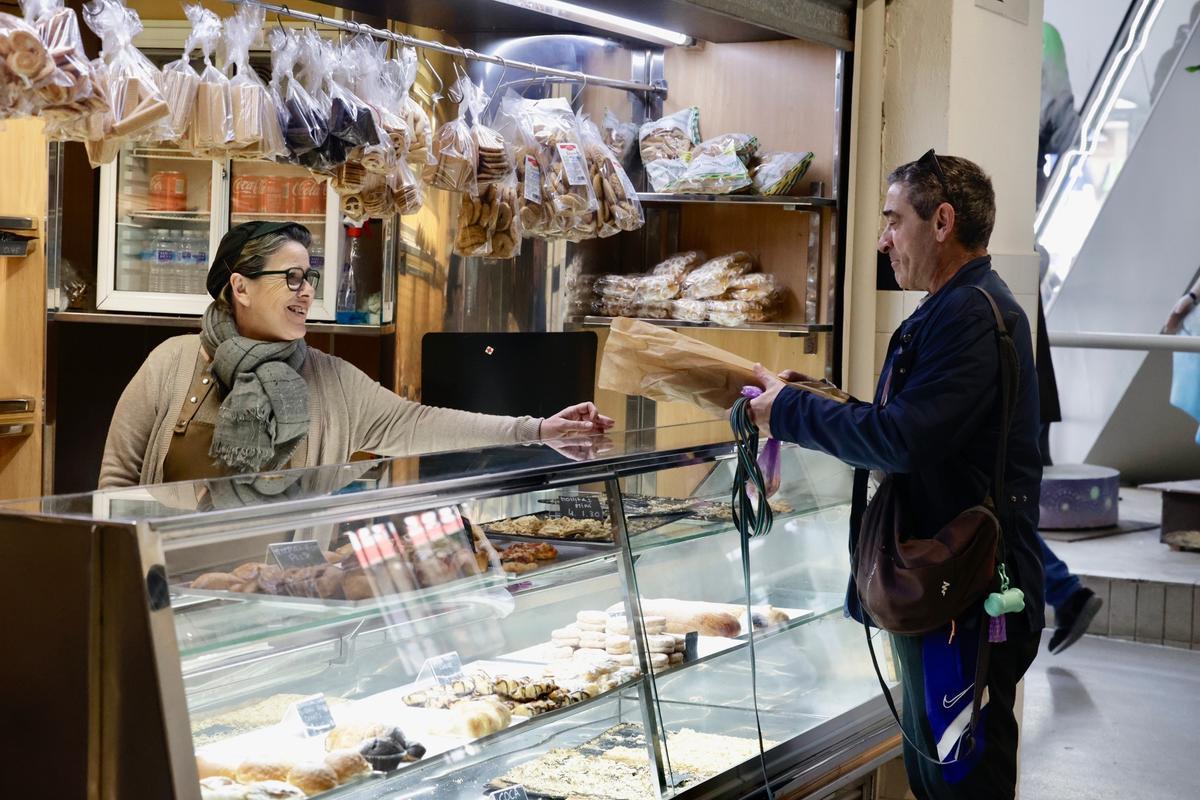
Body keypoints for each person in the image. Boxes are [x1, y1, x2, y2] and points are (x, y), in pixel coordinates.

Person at [745, 152, 1043, 799]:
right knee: (935, 773)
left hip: (965, 595)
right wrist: (823, 400)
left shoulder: (968, 315)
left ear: (941, 221)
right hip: (944, 588)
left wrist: (793, 414)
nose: (882, 239)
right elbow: (908, 426)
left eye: (891, 220)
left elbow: (901, 440)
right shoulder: (955, 308)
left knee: (958, 779)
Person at [100, 221, 612, 488]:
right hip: (167, 584)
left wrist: (538, 430)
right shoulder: (173, 362)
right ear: (241, 287)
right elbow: (118, 480)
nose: (305, 292)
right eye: (291, 278)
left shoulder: (333, 382)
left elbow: (423, 423)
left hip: (277, 596)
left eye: (310, 279)